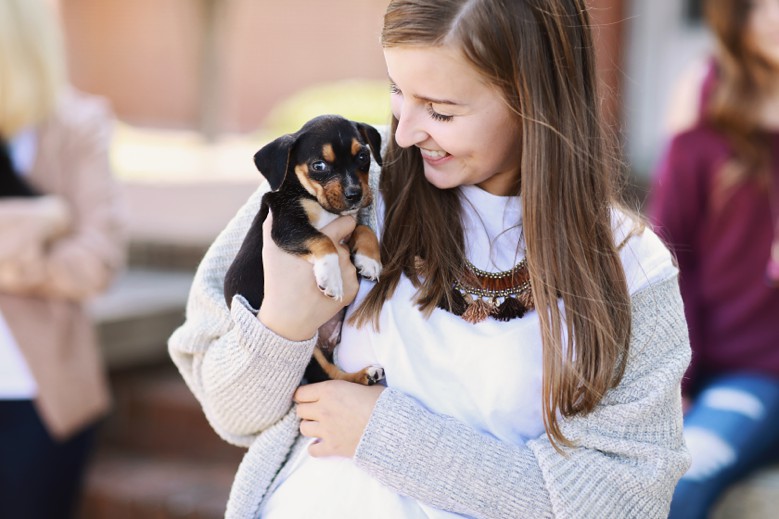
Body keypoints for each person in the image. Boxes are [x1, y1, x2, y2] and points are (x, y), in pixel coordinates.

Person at [169, 0, 691, 517]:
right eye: (397, 90)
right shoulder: (330, 199)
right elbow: (231, 415)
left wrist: (388, 436)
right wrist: (282, 325)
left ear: (532, 100)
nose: (402, 134)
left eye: (440, 110)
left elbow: (626, 501)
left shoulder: (628, 267)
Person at [648, 0, 779, 517]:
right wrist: (673, 382)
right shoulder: (706, 94)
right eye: (758, 5)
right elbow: (670, 254)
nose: (773, 16)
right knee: (681, 481)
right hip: (746, 374)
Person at [0, 0, 127, 517]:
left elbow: (97, 260)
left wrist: (12, 264)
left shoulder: (79, 124)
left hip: (43, 399)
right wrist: (44, 219)